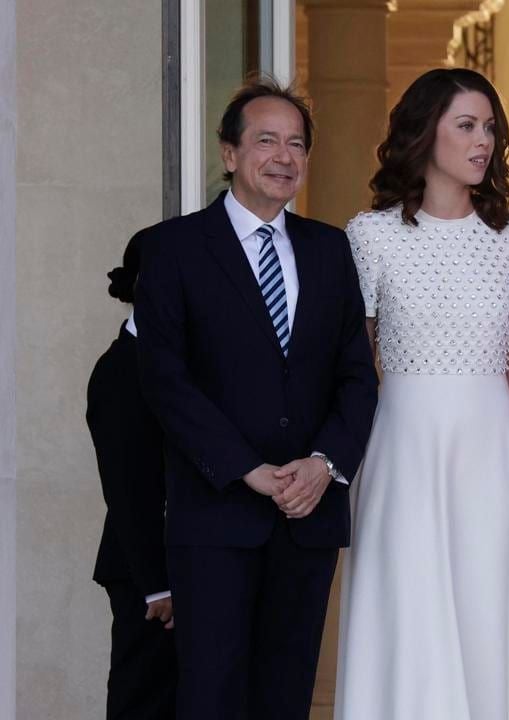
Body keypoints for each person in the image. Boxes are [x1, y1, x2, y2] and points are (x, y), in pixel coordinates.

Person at [135, 78, 378, 720]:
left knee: (286, 695)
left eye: (297, 144)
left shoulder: (331, 250)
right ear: (229, 155)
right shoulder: (172, 249)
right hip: (215, 513)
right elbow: (164, 379)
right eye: (266, 140)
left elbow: (358, 374)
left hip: (307, 514)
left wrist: (325, 463)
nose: (284, 156)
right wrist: (246, 468)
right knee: (211, 695)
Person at [334, 67, 509, 719]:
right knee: (410, 609)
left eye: (490, 127)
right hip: (403, 447)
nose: (483, 140)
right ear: (424, 133)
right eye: (466, 125)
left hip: (494, 453)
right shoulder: (369, 236)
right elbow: (357, 365)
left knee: (492, 610)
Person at [86, 230, 176, 719]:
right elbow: (127, 488)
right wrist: (157, 586)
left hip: (176, 567)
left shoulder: (174, 362)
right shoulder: (121, 369)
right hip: (145, 574)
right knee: (142, 702)